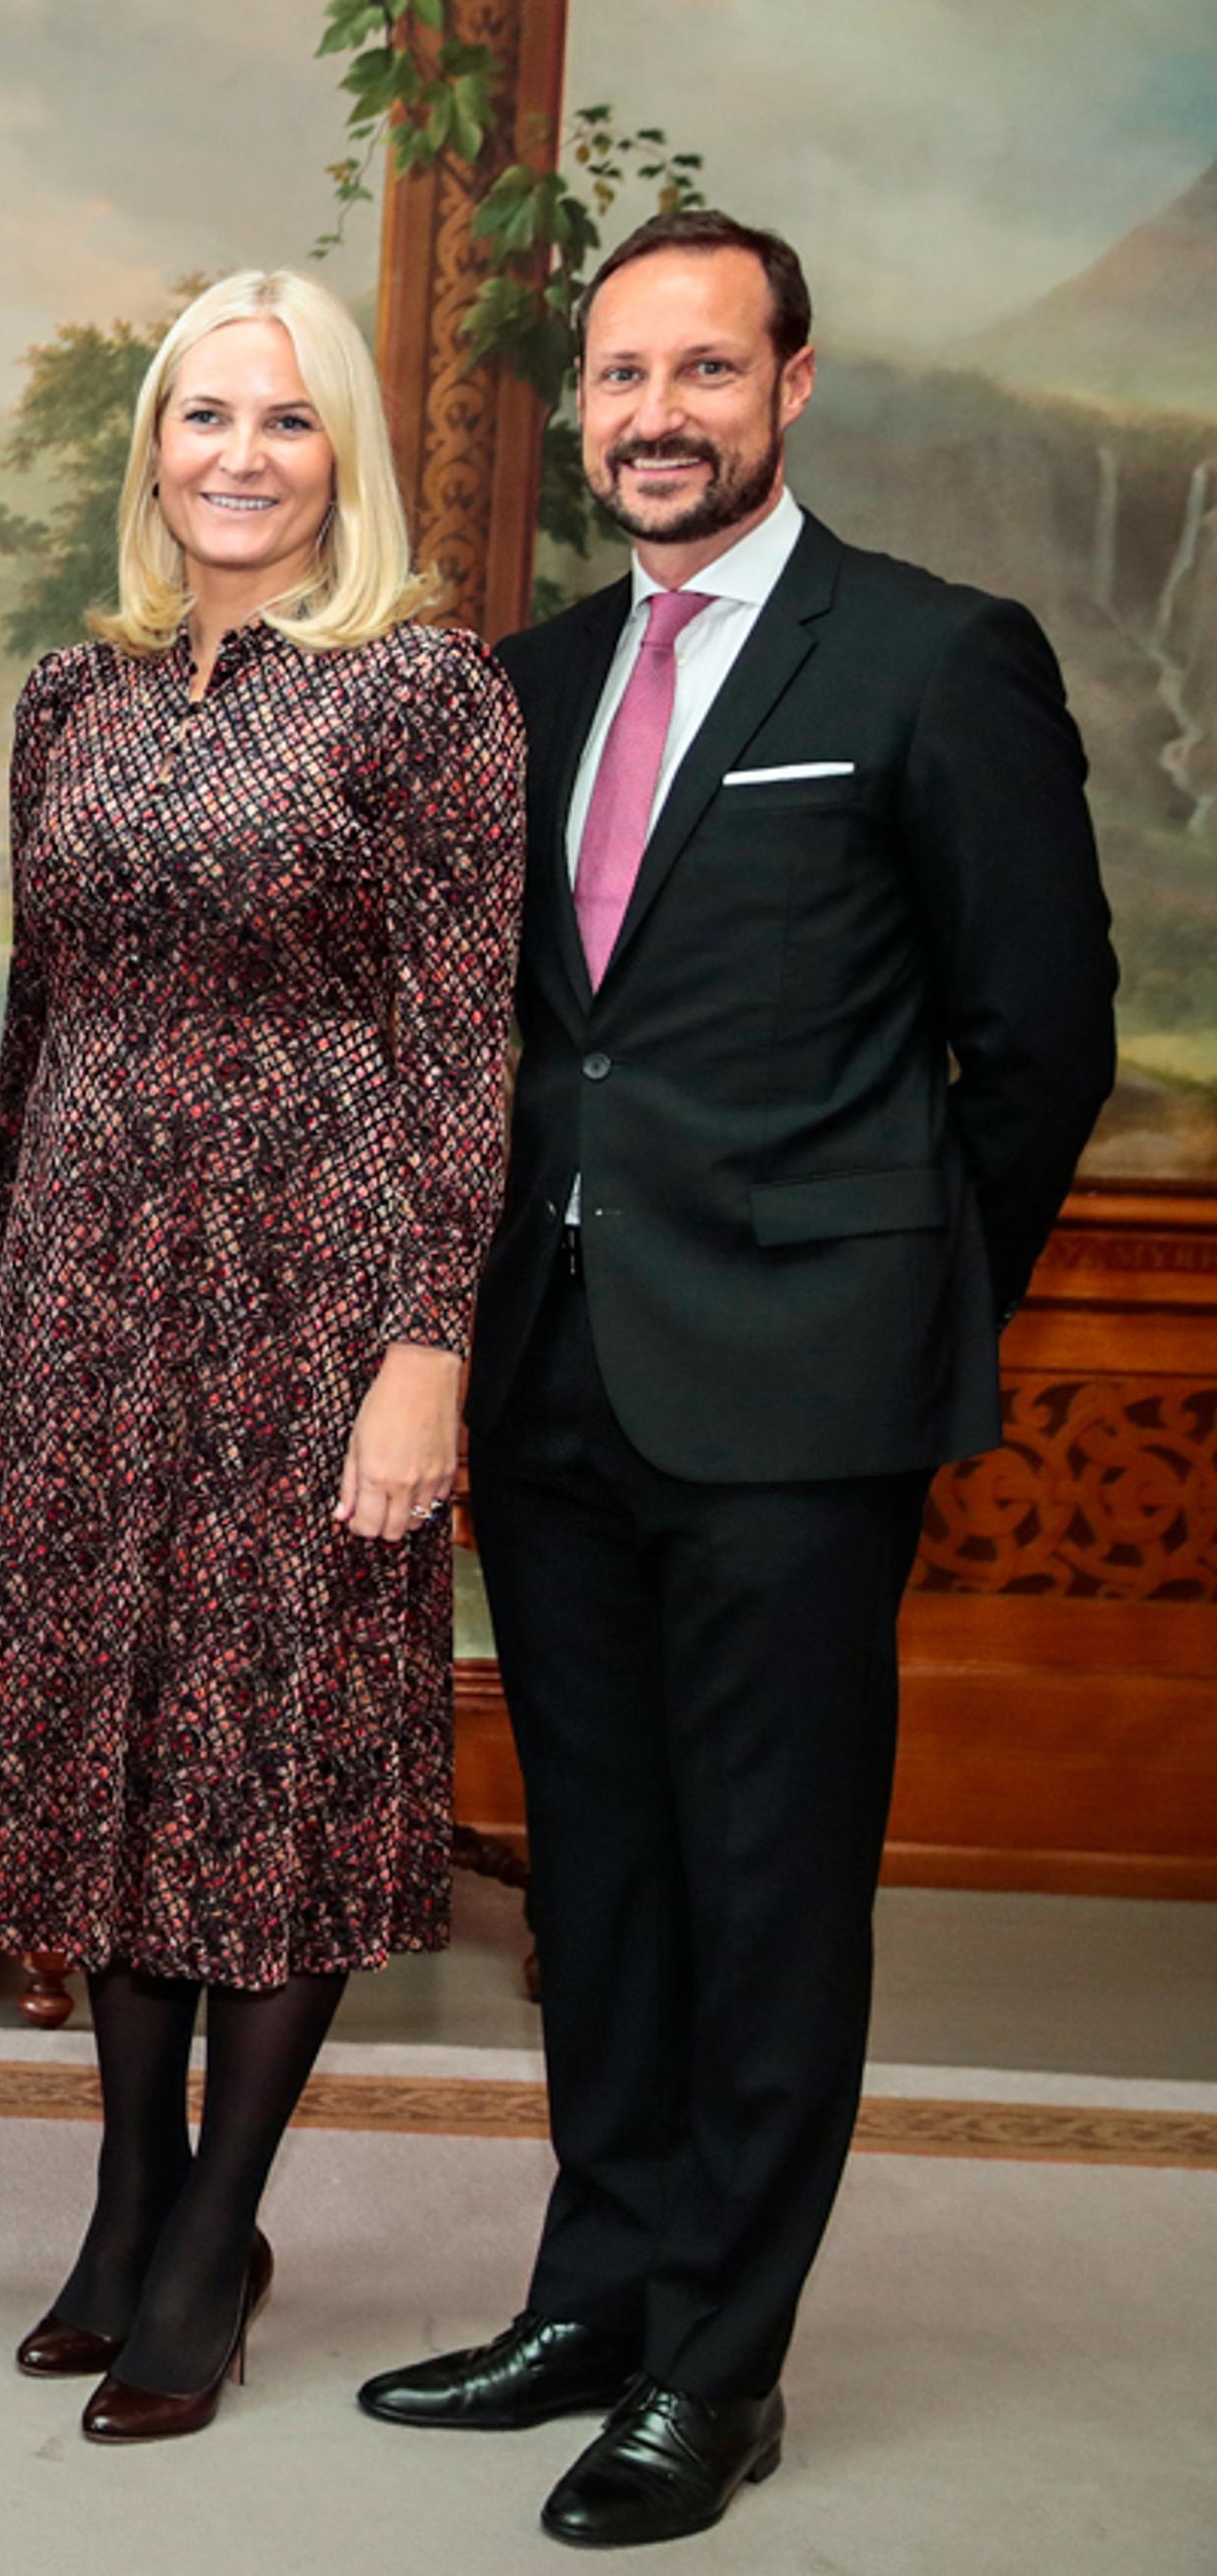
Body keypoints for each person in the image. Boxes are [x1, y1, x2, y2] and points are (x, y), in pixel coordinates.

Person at [356, 212, 1118, 2549]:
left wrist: (893, 1309)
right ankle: (596, 2292)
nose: (656, 414)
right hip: (554, 1374)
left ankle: (718, 2359)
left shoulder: (933, 657)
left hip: (803, 1395)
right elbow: (516, 1045)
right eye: (621, 374)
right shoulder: (528, 682)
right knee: (600, 1872)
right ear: (581, 406)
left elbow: (1041, 1042)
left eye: (704, 369)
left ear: (792, 385)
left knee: (770, 1881)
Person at [0, 272, 525, 2444]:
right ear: (152, 449)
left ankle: (216, 2230)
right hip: (91, 1281)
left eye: (284, 418)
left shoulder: (424, 692)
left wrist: (427, 1344)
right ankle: (129, 2198)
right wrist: (6, 1293)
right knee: (108, 1740)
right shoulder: (72, 694)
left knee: (275, 1750)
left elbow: (466, 1045)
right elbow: (41, 1014)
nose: (239, 456)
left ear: (341, 452)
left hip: (313, 1286)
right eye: (203, 416)